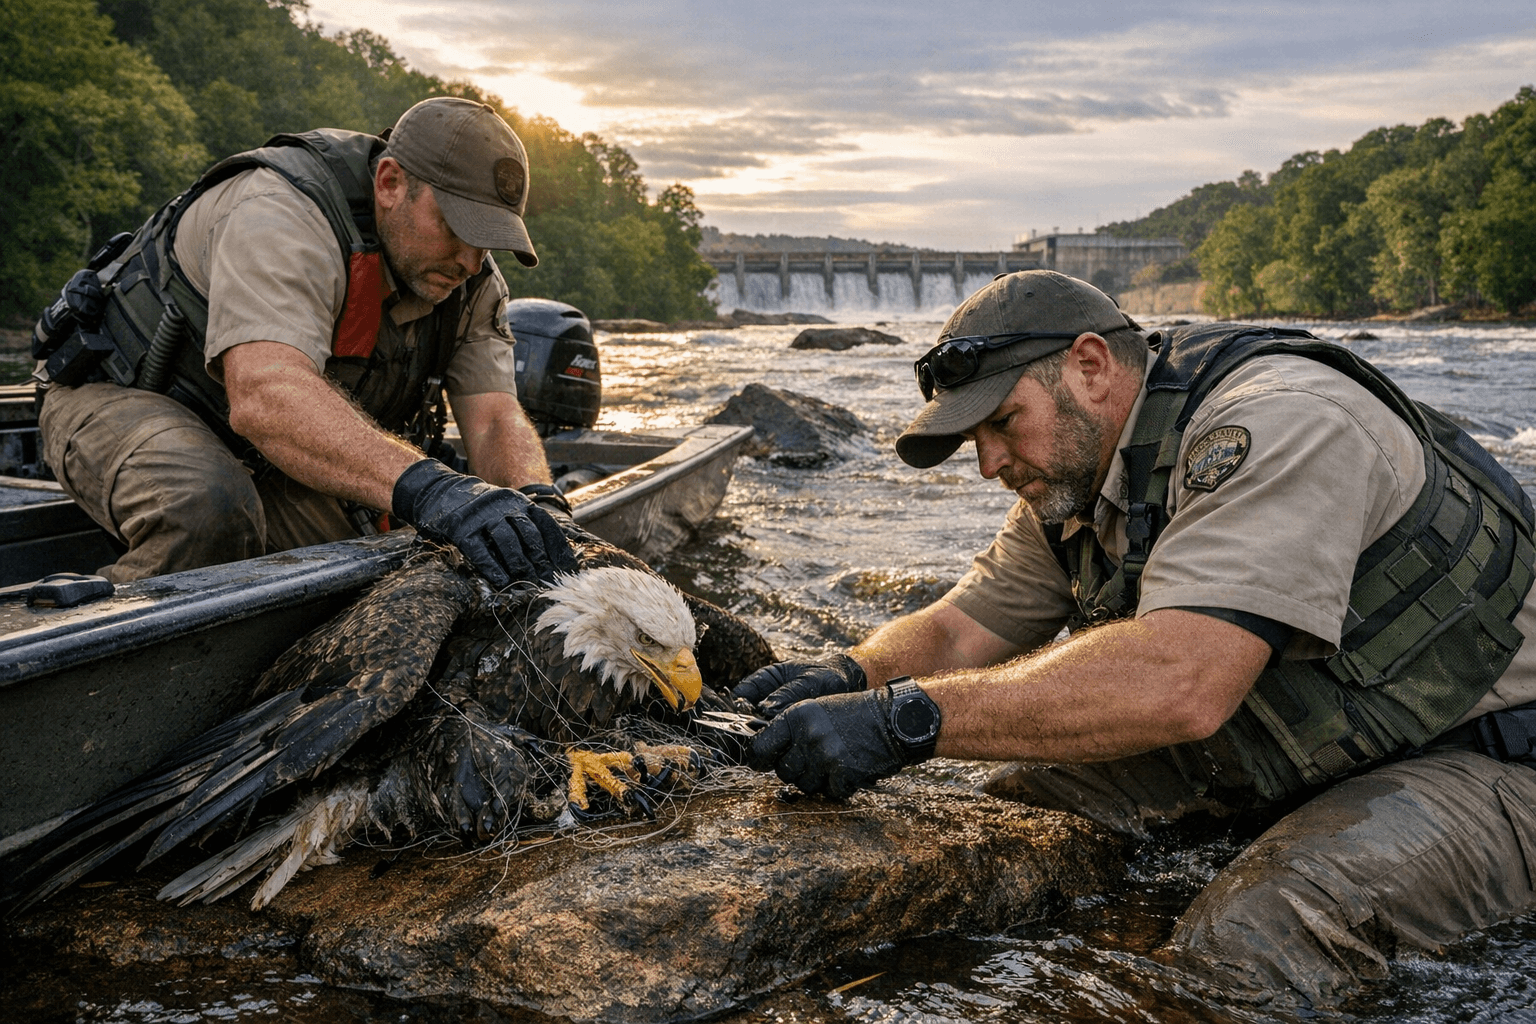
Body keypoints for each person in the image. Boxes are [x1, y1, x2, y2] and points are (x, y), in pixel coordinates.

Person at [736, 269, 1536, 1008]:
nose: (986, 465)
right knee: (1012, 820)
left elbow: (1180, 684)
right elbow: (959, 626)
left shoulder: (1281, 417)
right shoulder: (1077, 476)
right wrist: (848, 674)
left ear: (1090, 366)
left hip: (1483, 752)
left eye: (1002, 422)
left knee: (1253, 942)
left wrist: (903, 720)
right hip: (1310, 738)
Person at [32, 96, 576, 588]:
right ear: (390, 183)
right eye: (455, 226)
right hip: (122, 398)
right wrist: (437, 489)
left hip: (265, 447)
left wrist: (540, 507)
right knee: (206, 505)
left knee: (381, 565)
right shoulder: (280, 212)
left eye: (489, 240)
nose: (470, 260)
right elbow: (266, 394)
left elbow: (494, 418)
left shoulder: (471, 282)